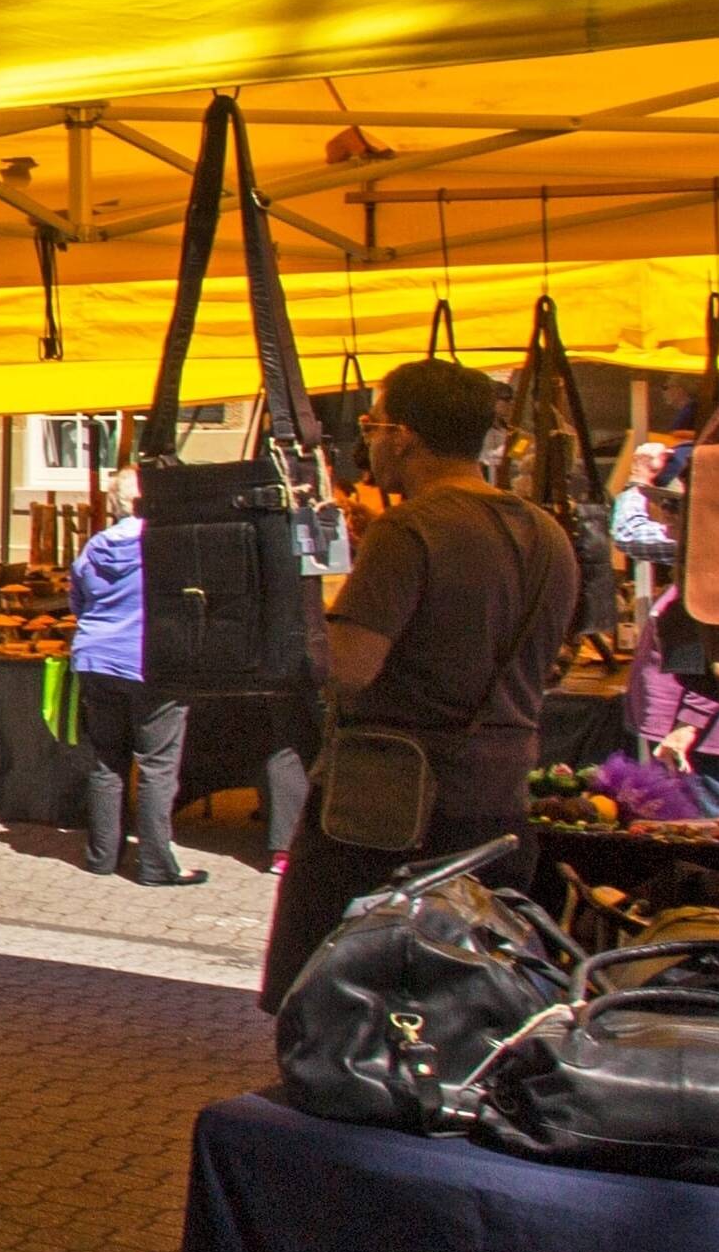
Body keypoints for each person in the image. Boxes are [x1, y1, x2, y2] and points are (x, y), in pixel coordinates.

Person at [258, 357, 584, 1007]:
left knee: (333, 995)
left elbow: (350, 669)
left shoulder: (410, 529)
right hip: (498, 797)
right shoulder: (549, 534)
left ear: (403, 436)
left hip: (388, 808)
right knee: (465, 997)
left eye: (374, 425)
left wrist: (304, 631)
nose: (368, 443)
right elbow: (554, 659)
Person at [65, 503, 196, 887]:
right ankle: (156, 865)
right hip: (151, 660)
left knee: (107, 759)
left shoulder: (95, 545)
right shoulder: (164, 547)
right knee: (157, 766)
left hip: (96, 658)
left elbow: (77, 600)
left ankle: (102, 857)